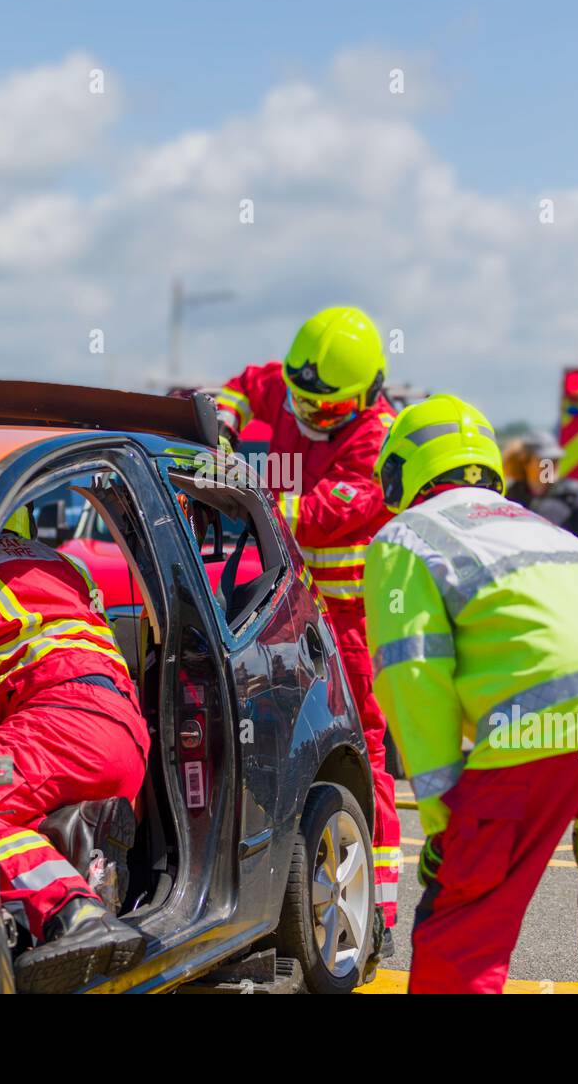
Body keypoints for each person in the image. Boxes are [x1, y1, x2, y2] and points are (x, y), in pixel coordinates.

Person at [364, 394, 578, 993]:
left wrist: (442, 815)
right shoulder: (546, 531)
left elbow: (413, 675)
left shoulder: (406, 537)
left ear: (402, 472)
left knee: (466, 920)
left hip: (543, 715)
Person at [215, 306, 402, 937]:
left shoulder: (379, 442)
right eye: (302, 403)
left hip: (353, 622)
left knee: (361, 752)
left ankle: (376, 908)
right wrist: (221, 423)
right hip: (290, 611)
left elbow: (318, 516)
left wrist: (241, 492)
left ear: (365, 394)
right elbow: (244, 385)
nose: (308, 417)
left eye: (324, 411)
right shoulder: (299, 392)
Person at [0, 487, 150, 992]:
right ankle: (78, 853)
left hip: (60, 722)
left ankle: (76, 912)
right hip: (123, 730)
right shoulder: (67, 565)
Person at [502, 429, 578, 548]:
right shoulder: (512, 496)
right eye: (544, 460)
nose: (551, 466)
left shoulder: (570, 495)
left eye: (555, 460)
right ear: (525, 461)